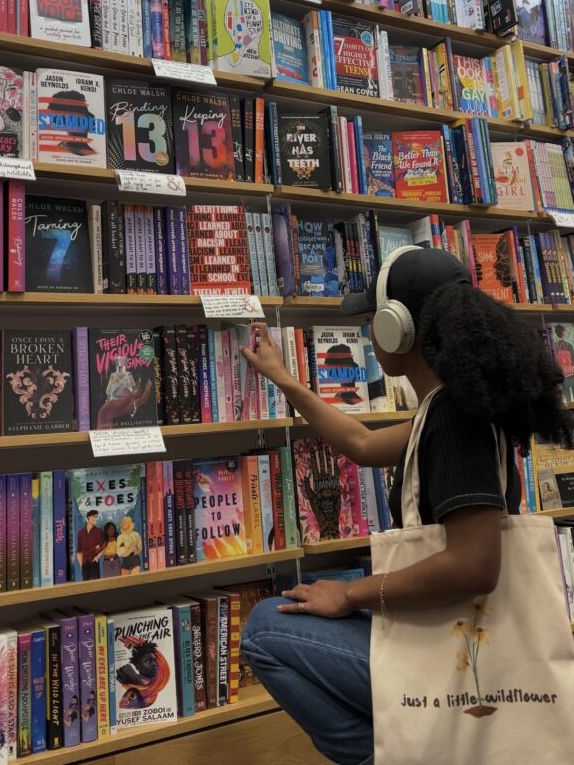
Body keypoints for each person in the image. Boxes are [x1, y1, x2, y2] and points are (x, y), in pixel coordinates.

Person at [239, 247, 572, 765]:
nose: (369, 331)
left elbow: (474, 566)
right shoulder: (445, 409)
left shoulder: (455, 420)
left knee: (265, 628)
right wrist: (284, 380)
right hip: (455, 638)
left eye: (372, 318)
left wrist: (351, 594)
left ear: (398, 328)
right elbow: (362, 445)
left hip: (454, 655)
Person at [76, 509, 104, 581]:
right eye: (94, 516)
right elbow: (79, 551)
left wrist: (97, 557)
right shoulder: (80, 533)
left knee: (96, 584)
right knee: (86, 585)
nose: (95, 518)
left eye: (96, 517)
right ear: (88, 517)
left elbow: (103, 548)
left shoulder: (99, 531)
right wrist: (81, 564)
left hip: (94, 561)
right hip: (84, 563)